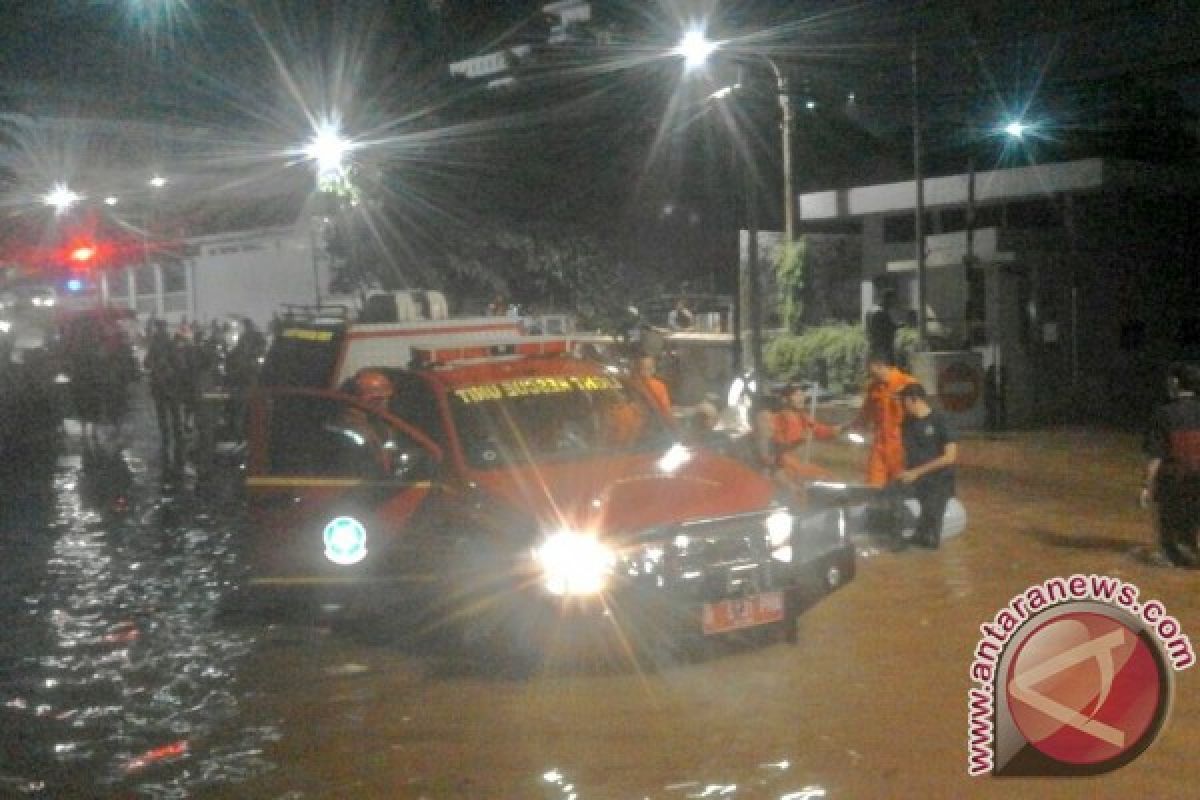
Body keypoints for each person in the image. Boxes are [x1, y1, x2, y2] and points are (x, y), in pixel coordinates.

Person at [1142, 362, 1200, 567]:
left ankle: (1170, 553)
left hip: (1175, 481)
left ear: (1176, 382)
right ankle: (1189, 546)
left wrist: (1148, 487)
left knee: (1166, 511)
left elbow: (1156, 456)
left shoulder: (1163, 414)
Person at [895, 383, 958, 548]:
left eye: (904, 401)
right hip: (914, 478)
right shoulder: (906, 424)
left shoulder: (941, 420)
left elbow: (950, 457)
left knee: (930, 539)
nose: (902, 405)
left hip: (939, 481)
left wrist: (917, 472)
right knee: (888, 494)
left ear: (914, 400)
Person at [847, 352, 918, 486]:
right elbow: (865, 413)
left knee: (900, 487)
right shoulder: (873, 388)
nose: (870, 374)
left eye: (871, 370)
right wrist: (850, 427)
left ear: (880, 365)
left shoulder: (908, 383)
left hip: (902, 446)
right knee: (874, 486)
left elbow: (920, 412)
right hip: (879, 445)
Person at [757, 383, 838, 488]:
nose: (802, 398)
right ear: (786, 399)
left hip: (797, 462)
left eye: (802, 395)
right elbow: (776, 448)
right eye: (797, 395)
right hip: (783, 462)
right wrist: (799, 441)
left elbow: (822, 430)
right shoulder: (778, 418)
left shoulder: (803, 417)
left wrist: (846, 427)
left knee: (828, 477)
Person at [341, 369, 397, 474]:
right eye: (378, 399)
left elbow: (390, 454)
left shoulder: (381, 425)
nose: (384, 404)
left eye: (387, 399)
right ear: (356, 397)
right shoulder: (347, 425)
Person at [866, 288, 899, 366]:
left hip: (873, 347)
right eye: (892, 301)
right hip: (882, 349)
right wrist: (895, 327)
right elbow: (883, 330)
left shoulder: (871, 310)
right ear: (887, 300)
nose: (893, 305)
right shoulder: (880, 313)